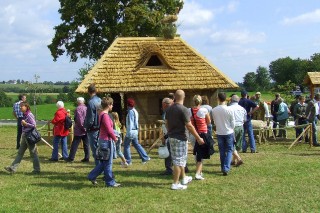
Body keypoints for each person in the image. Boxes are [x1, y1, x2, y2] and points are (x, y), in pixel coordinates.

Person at [165, 90, 204, 190]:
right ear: (184, 97)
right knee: (179, 161)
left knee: (178, 159)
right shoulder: (184, 109)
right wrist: (198, 138)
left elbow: (166, 122)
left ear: (174, 97)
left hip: (171, 137)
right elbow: (189, 126)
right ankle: (175, 183)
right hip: (180, 138)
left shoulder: (169, 109)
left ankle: (184, 178)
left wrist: (169, 131)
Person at [88, 97, 120, 187]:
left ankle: (91, 176)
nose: (112, 106)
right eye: (112, 104)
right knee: (108, 163)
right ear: (109, 105)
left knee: (103, 163)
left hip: (103, 140)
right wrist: (115, 138)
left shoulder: (101, 114)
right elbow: (109, 130)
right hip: (107, 141)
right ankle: (110, 182)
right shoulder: (105, 116)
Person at [5, 101, 40, 174]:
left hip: (30, 137)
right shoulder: (24, 115)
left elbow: (34, 125)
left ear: (26, 107)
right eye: (20, 106)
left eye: (22, 106)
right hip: (25, 136)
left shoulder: (29, 115)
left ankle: (37, 170)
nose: (20, 107)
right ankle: (13, 168)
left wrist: (25, 124)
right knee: (20, 153)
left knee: (33, 153)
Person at [212, 92, 235, 176]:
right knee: (229, 150)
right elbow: (233, 123)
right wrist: (232, 128)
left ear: (218, 99)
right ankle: (226, 167)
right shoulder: (230, 109)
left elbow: (214, 121)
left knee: (222, 151)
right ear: (226, 99)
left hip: (219, 132)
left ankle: (223, 167)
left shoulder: (214, 110)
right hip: (228, 132)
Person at [188, 95, 211, 180]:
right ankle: (198, 173)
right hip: (202, 134)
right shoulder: (204, 110)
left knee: (197, 153)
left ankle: (199, 171)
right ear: (200, 101)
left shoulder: (189, 110)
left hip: (193, 134)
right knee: (201, 154)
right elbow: (208, 122)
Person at [123, 98, 150, 165]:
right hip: (135, 130)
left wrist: (128, 133)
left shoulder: (130, 112)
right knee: (136, 144)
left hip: (131, 131)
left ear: (128, 105)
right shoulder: (135, 111)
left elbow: (130, 122)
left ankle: (128, 161)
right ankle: (145, 157)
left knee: (126, 145)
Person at [66, 97, 90, 162]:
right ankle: (87, 157)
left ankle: (71, 157)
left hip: (79, 129)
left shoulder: (78, 109)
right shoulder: (87, 108)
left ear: (78, 102)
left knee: (75, 144)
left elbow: (79, 120)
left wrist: (82, 127)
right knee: (86, 144)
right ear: (83, 101)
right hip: (86, 129)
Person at [84, 84, 102, 165]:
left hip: (93, 128)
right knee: (99, 148)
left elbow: (90, 117)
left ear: (88, 92)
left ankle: (98, 168)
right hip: (100, 127)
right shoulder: (100, 100)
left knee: (95, 150)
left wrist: (86, 126)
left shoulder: (91, 102)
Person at [228, 94, 246, 166]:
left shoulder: (229, 108)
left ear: (231, 100)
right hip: (241, 126)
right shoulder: (242, 108)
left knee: (231, 144)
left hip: (232, 127)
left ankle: (238, 159)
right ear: (238, 100)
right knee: (238, 144)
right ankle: (234, 160)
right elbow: (245, 119)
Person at [160, 97, 174, 175]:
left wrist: (165, 136)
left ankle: (169, 169)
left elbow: (168, 124)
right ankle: (184, 167)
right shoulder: (169, 111)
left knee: (169, 153)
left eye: (163, 104)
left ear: (165, 104)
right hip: (170, 134)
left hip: (169, 135)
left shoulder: (168, 112)